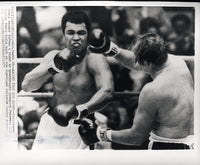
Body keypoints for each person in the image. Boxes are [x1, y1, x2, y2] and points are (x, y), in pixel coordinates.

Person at [79, 30, 194, 149]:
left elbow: (136, 137)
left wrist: (100, 134)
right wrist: (110, 48)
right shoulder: (177, 62)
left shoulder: (152, 90)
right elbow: (136, 61)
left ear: (145, 63)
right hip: (192, 144)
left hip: (167, 148)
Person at [21, 11, 114, 149]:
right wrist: (54, 66)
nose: (76, 37)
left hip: (81, 125)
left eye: (81, 33)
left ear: (88, 34)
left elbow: (107, 92)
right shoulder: (53, 56)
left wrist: (79, 111)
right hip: (51, 123)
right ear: (63, 34)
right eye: (71, 32)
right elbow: (27, 86)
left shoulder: (95, 59)